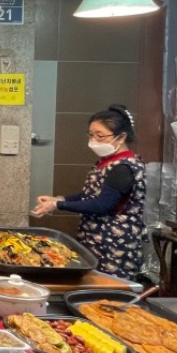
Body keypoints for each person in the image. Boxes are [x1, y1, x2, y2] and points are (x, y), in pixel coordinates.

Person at [31, 104, 146, 278]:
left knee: (108, 287)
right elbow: (90, 195)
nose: (94, 140)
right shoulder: (106, 162)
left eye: (100, 135)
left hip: (115, 243)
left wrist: (58, 205)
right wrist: (60, 199)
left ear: (121, 137)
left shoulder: (123, 167)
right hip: (96, 237)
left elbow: (102, 204)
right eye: (91, 135)